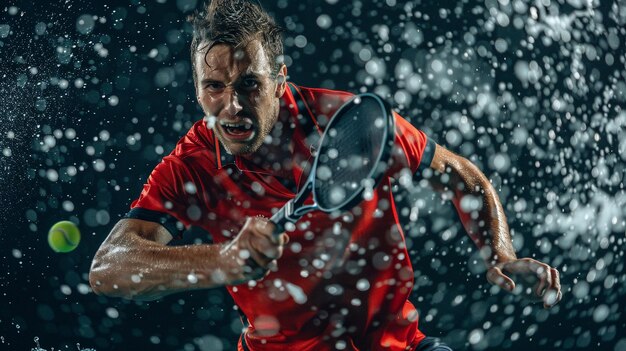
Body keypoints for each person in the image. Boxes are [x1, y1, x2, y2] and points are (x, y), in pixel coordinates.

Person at [89, 1, 562, 350]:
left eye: (249, 84)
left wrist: (499, 249)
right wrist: (222, 261)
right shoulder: (191, 164)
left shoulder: (354, 124)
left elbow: (464, 176)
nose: (230, 106)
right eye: (213, 87)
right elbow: (109, 268)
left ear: (280, 77)